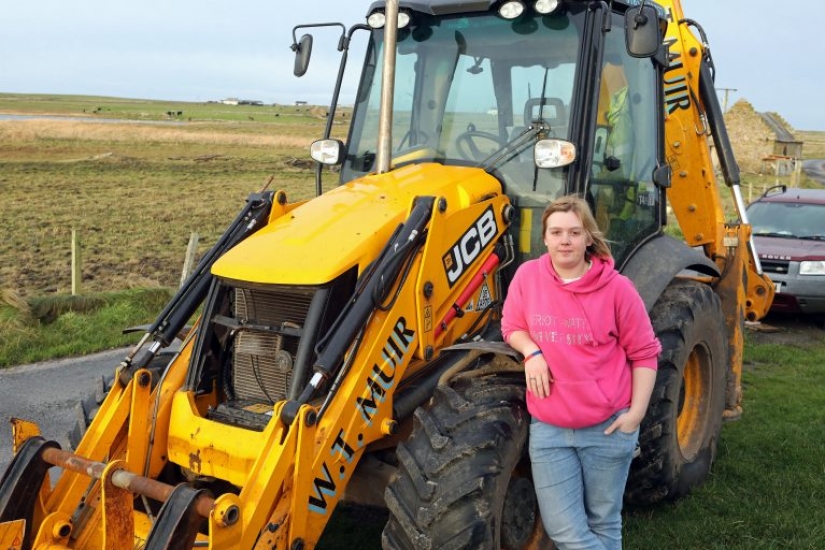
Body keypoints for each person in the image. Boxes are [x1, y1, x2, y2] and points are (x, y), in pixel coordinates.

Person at [501, 195, 661, 550]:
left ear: (589, 237)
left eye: (574, 232)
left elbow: (646, 354)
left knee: (603, 521)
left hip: (607, 428)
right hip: (550, 429)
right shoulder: (528, 277)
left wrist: (635, 416)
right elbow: (511, 325)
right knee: (564, 531)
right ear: (544, 237)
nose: (565, 240)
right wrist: (532, 352)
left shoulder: (618, 289)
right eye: (556, 232)